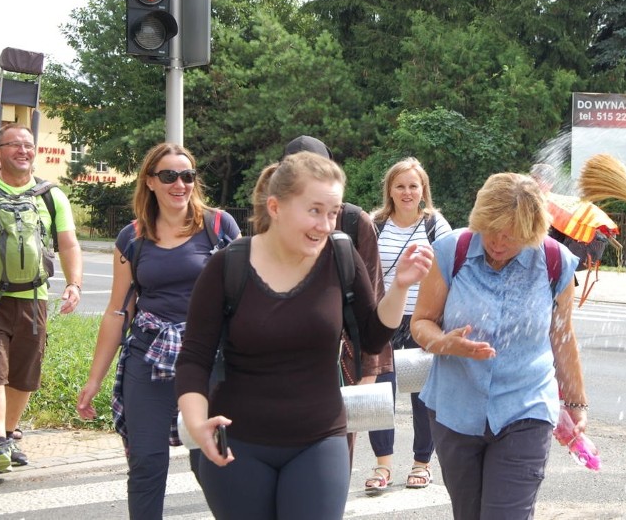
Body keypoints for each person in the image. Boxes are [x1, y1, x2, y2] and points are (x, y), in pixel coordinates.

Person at [175, 151, 433, 519]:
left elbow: (373, 339)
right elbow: (193, 359)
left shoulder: (341, 256)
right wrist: (198, 423)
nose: (326, 224)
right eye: (314, 211)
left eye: (333, 212)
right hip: (239, 442)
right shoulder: (228, 265)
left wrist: (401, 287)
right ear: (276, 207)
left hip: (319, 439)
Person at [76, 143, 240, 518]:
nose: (180, 184)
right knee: (147, 463)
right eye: (169, 176)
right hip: (149, 356)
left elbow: (245, 295)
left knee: (214, 462)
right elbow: (119, 311)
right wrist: (94, 379)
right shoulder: (131, 238)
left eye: (187, 176)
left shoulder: (218, 226)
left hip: (209, 357)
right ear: (150, 181)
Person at [411, 172, 588, 519]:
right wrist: (446, 343)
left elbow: (562, 337)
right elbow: (421, 323)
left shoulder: (555, 263)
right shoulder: (450, 252)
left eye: (513, 235)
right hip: (455, 410)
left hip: (526, 408)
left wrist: (577, 403)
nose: (498, 241)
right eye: (491, 229)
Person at [282, 135, 387, 466]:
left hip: (343, 357)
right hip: (282, 359)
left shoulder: (355, 222)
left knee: (335, 456)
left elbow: (373, 296)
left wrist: (370, 368)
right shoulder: (273, 217)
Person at [0, 123, 83, 474]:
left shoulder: (51, 195)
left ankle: (8, 436)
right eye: (13, 144)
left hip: (34, 297)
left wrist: (74, 283)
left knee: (24, 373)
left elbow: (69, 243)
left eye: (28, 144)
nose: (23, 150)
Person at [363, 157, 452, 493]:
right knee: (380, 393)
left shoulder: (436, 226)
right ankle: (382, 465)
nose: (406, 192)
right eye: (400, 185)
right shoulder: (375, 224)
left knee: (421, 396)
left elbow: (449, 269)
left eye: (413, 186)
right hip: (384, 321)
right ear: (390, 189)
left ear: (423, 190)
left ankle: (421, 463)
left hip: (422, 321)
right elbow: (364, 275)